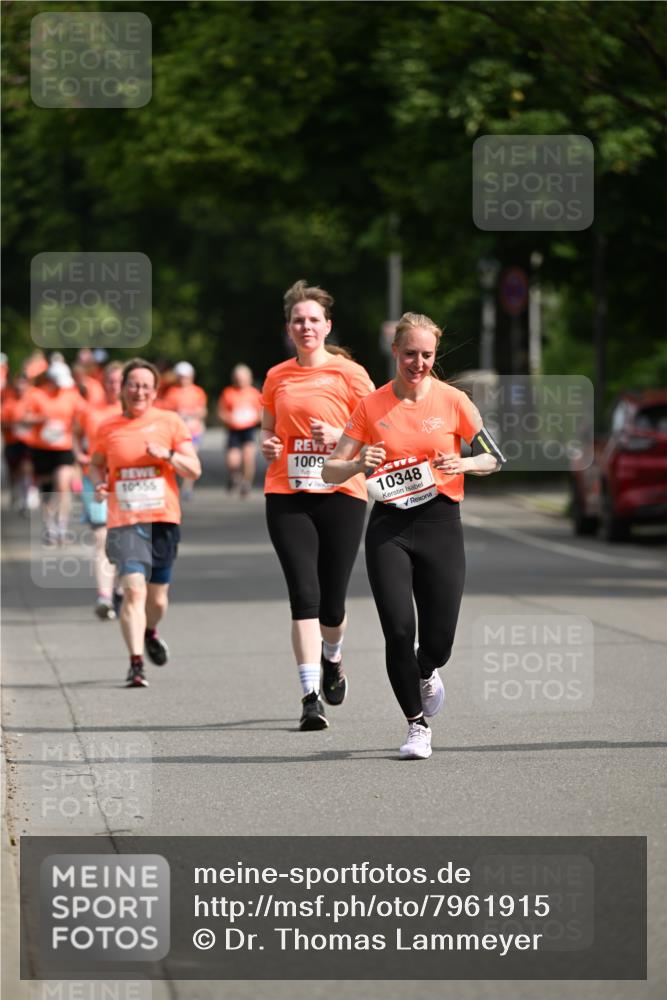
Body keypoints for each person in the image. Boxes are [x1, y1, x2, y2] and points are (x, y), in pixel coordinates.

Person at [323, 312, 505, 759]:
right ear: (395, 353)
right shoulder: (371, 406)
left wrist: (464, 464)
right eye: (410, 354)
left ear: (434, 355)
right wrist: (359, 462)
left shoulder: (453, 401)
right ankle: (416, 726)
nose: (418, 363)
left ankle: (426, 670)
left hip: (441, 523)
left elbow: (493, 457)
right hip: (390, 525)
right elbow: (330, 469)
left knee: (438, 641)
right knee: (399, 631)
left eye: (426, 355)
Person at [261, 280, 375, 731]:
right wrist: (268, 446)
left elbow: (378, 429)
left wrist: (340, 437)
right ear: (288, 328)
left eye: (313, 320)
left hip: (342, 494)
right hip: (287, 493)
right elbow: (268, 433)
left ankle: (333, 656)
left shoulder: (350, 373)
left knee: (332, 603)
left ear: (327, 326)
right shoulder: (276, 376)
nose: (305, 327)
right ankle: (310, 697)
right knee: (303, 595)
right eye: (297, 320)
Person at [90, 358, 201, 688]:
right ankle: (135, 664)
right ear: (123, 389)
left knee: (157, 600)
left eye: (146, 387)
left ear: (155, 392)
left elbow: (193, 470)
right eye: (133, 385)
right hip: (124, 520)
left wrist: (166, 455)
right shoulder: (107, 428)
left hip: (162, 519)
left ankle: (150, 631)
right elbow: (96, 463)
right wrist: (100, 482)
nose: (139, 391)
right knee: (133, 591)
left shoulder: (169, 422)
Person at [74, 362, 124, 620]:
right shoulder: (89, 411)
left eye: (118, 381)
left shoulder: (133, 412)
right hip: (94, 481)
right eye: (110, 381)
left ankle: (119, 589)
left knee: (124, 541)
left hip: (127, 484)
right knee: (101, 538)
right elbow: (75, 436)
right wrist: (79, 455)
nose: (114, 386)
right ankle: (104, 596)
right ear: (102, 383)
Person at [23, 361, 86, 544]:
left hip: (64, 449)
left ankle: (62, 527)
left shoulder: (71, 394)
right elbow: (25, 418)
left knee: (62, 486)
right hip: (41, 449)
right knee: (47, 492)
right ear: (50, 380)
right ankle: (50, 527)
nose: (60, 387)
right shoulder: (36, 395)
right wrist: (40, 419)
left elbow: (84, 413)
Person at [158, 361, 208, 499]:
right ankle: (175, 483)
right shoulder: (171, 392)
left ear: (191, 376)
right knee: (175, 459)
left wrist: (191, 413)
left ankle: (187, 488)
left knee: (191, 457)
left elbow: (203, 411)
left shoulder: (198, 391)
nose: (183, 379)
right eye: (180, 376)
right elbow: (164, 409)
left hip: (193, 431)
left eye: (186, 376)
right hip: (175, 431)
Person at [217, 364, 262, 495]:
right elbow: (221, 411)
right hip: (234, 429)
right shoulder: (228, 392)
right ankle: (235, 476)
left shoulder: (254, 393)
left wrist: (255, 418)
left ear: (249, 378)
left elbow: (262, 412)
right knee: (233, 460)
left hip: (248, 429)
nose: (240, 381)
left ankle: (246, 482)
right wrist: (228, 419)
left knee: (249, 456)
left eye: (243, 378)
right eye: (238, 378)